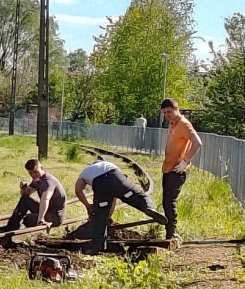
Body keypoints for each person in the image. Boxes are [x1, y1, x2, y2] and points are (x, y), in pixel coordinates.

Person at [74, 158, 167, 254]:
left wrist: (88, 206)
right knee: (135, 195)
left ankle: (97, 247)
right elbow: (114, 197)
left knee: (100, 216)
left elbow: (78, 189)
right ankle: (149, 207)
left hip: (100, 184)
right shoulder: (109, 164)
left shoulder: (86, 171)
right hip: (116, 177)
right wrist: (109, 215)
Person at [159, 98, 202, 240]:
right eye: (164, 113)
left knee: (169, 201)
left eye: (169, 112)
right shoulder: (173, 123)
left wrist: (185, 161)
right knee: (166, 201)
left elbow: (197, 142)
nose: (167, 115)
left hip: (177, 170)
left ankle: (172, 232)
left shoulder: (183, 124)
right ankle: (169, 232)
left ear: (177, 109)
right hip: (169, 168)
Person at [1, 158, 66, 231]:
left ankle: (21, 226)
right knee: (25, 200)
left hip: (55, 216)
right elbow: (25, 194)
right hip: (47, 211)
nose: (33, 175)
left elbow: (45, 199)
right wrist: (23, 189)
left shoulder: (48, 182)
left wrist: (41, 219)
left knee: (28, 220)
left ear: (42, 168)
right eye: (30, 173)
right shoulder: (37, 180)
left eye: (35, 172)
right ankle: (12, 226)